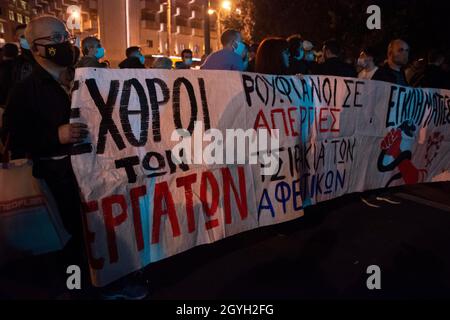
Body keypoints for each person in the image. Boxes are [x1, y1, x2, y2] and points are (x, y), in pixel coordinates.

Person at [3, 15, 148, 300]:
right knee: (73, 243)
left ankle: (107, 284)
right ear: (36, 47)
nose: (65, 43)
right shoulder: (25, 90)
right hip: (58, 179)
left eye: (66, 36)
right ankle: (76, 291)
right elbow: (11, 138)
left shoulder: (84, 77)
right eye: (56, 39)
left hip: (96, 172)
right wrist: (54, 136)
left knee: (100, 234)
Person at [0, 43, 19, 109]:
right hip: (17, 101)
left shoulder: (3, 67)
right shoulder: (20, 66)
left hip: (4, 103)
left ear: (3, 52)